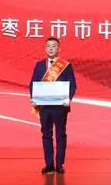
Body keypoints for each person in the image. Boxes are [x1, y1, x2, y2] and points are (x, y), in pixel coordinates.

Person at [30, 37, 77, 174]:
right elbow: (33, 83)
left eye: (54, 46)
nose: (51, 48)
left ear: (59, 49)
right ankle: (49, 164)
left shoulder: (66, 65)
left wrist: (68, 99)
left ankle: (59, 164)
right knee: (46, 135)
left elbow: (72, 84)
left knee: (60, 135)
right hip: (44, 107)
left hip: (60, 106)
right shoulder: (39, 65)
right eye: (48, 46)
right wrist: (34, 99)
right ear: (45, 49)